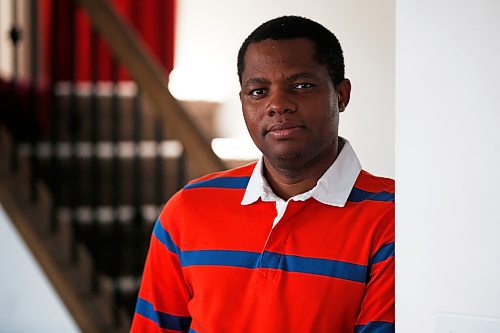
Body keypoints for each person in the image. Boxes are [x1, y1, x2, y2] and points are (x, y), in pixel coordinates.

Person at [130, 15, 394, 333]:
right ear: (242, 101)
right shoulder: (188, 209)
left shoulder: (392, 218)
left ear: (341, 95)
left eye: (301, 86)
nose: (277, 105)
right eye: (258, 92)